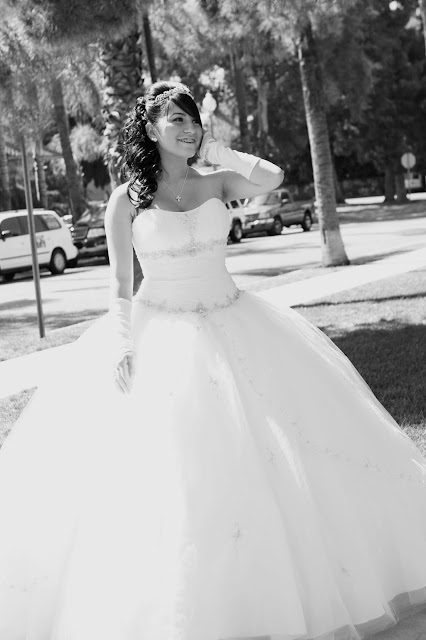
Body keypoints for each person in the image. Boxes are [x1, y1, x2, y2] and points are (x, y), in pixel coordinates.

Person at [0, 80, 426, 640]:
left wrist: (219, 149)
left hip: (236, 320)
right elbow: (120, 285)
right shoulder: (126, 199)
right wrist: (123, 342)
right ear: (150, 128)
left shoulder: (216, 179)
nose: (188, 128)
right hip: (161, 329)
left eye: (192, 119)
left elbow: (272, 178)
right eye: (175, 120)